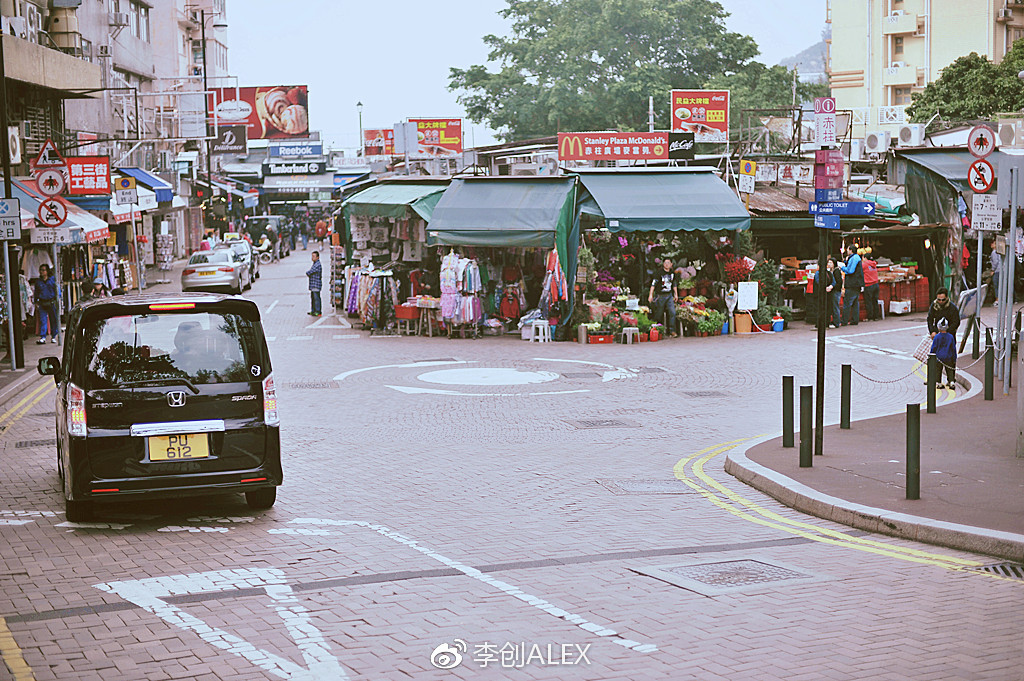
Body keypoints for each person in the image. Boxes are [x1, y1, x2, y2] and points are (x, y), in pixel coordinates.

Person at [648, 258, 679, 338]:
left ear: (671, 264)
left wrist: (676, 294)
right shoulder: (658, 273)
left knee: (672, 312)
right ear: (663, 264)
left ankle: (672, 331)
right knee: (659, 313)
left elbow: (674, 284)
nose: (667, 264)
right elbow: (653, 284)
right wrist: (651, 295)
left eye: (668, 263)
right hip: (660, 295)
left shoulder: (672, 273)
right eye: (665, 263)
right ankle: (656, 330)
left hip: (669, 295)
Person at [32, 264, 58, 344]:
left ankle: (54, 336)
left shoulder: (52, 280)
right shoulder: (38, 281)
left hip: (51, 301)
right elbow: (36, 292)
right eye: (41, 270)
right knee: (43, 320)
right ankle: (43, 336)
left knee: (53, 319)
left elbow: (56, 290)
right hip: (42, 302)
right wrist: (36, 302)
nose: (42, 272)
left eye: (43, 270)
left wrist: (57, 299)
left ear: (47, 271)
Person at [930, 317, 957, 390]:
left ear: (939, 327)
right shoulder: (950, 337)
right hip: (949, 356)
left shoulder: (937, 337)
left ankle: (939, 383)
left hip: (939, 357)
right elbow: (953, 348)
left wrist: (931, 356)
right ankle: (951, 382)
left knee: (938, 370)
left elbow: (934, 348)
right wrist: (954, 358)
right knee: (950, 370)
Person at [839, 244, 863, 326]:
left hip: (852, 284)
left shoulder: (854, 258)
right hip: (857, 284)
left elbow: (850, 270)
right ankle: (855, 320)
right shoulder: (856, 258)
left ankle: (844, 321)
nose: (847, 251)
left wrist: (842, 267)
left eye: (848, 249)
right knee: (855, 303)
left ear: (851, 250)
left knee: (847, 303)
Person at [861, 250, 880, 320]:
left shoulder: (864, 264)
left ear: (865, 258)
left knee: (868, 302)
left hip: (868, 285)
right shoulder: (874, 264)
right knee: (875, 301)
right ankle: (876, 316)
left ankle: (870, 317)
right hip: (876, 284)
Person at [306, 250, 322, 316]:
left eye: (313, 256)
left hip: (316, 284)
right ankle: (313, 310)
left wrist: (307, 272)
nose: (312, 258)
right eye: (312, 256)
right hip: (313, 285)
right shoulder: (315, 264)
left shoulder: (317, 265)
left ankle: (318, 311)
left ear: (317, 257)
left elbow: (310, 272)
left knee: (316, 298)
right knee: (313, 298)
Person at [990, 240, 1002, 305]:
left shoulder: (994, 252)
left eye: (993, 243)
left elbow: (995, 262)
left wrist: (992, 270)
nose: (991, 244)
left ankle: (997, 300)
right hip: (1001, 269)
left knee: (996, 285)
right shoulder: (999, 252)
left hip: (997, 270)